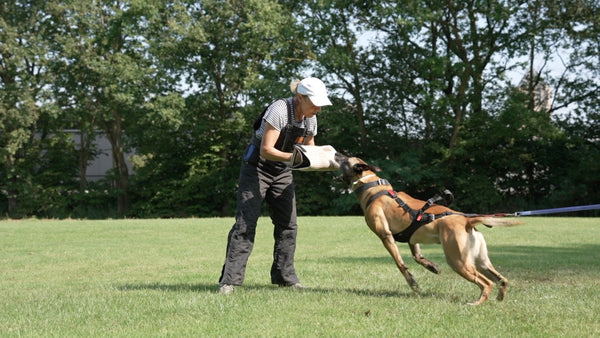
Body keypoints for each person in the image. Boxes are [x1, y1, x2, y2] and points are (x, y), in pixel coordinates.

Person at [218, 77, 332, 294]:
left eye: (320, 104)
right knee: (245, 224)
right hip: (257, 168)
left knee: (288, 225)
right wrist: (295, 159)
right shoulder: (279, 109)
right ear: (300, 97)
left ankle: (284, 277)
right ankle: (229, 281)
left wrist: (328, 161)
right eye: (314, 102)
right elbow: (266, 149)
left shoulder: (310, 119)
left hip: (283, 172)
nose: (318, 108)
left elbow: (309, 150)